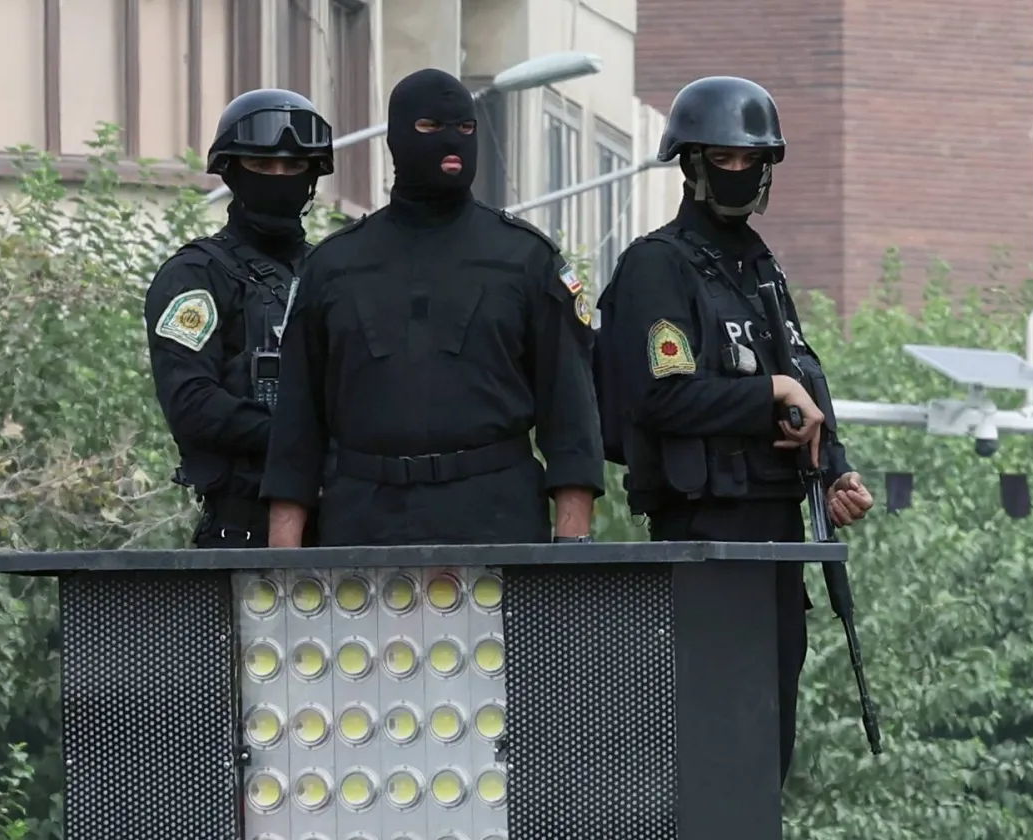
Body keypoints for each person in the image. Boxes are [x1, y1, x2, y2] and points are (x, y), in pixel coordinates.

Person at [594, 75, 875, 787]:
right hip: (704, 537)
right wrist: (768, 394)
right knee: (709, 757)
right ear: (691, 162)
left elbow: (802, 377)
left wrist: (834, 467)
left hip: (777, 535)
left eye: (753, 158)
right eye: (723, 157)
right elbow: (660, 399)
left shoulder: (760, 266)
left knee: (765, 755)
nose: (740, 171)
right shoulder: (658, 265)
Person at [259, 68, 604, 548]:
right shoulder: (334, 265)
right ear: (398, 137)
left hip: (495, 521)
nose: (452, 141)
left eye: (465, 128)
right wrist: (284, 560)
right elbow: (296, 429)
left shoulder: (527, 259)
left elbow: (571, 420)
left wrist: (571, 549)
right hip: (362, 525)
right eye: (430, 127)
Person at [144, 89, 334, 548]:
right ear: (231, 171)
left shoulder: (333, 271)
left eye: (294, 166)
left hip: (343, 524)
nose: (279, 177)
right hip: (243, 527)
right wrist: (296, 434)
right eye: (262, 165)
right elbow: (192, 404)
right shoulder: (197, 275)